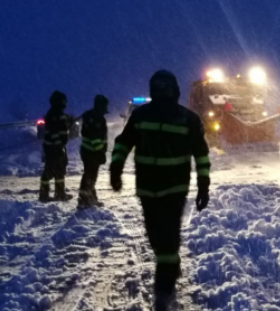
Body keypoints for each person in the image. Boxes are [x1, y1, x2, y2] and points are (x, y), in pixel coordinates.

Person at [109, 70, 211, 310]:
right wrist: (115, 169)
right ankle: (170, 266)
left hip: (174, 191)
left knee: (167, 241)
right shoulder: (140, 116)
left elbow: (201, 155)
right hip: (147, 190)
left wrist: (203, 186)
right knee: (157, 239)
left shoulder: (189, 119)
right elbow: (123, 143)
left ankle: (163, 293)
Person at [40, 90, 73, 202]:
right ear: (58, 101)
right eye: (64, 101)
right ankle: (44, 195)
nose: (65, 103)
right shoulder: (55, 113)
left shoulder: (57, 112)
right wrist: (59, 146)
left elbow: (60, 128)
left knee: (59, 170)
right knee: (49, 171)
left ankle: (60, 194)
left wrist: (68, 123)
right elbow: (54, 131)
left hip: (56, 147)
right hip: (53, 148)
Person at [77, 94, 109, 208]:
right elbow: (96, 138)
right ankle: (85, 200)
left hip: (87, 152)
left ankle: (88, 198)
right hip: (93, 153)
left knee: (89, 175)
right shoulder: (97, 119)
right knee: (90, 176)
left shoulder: (90, 116)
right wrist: (101, 152)